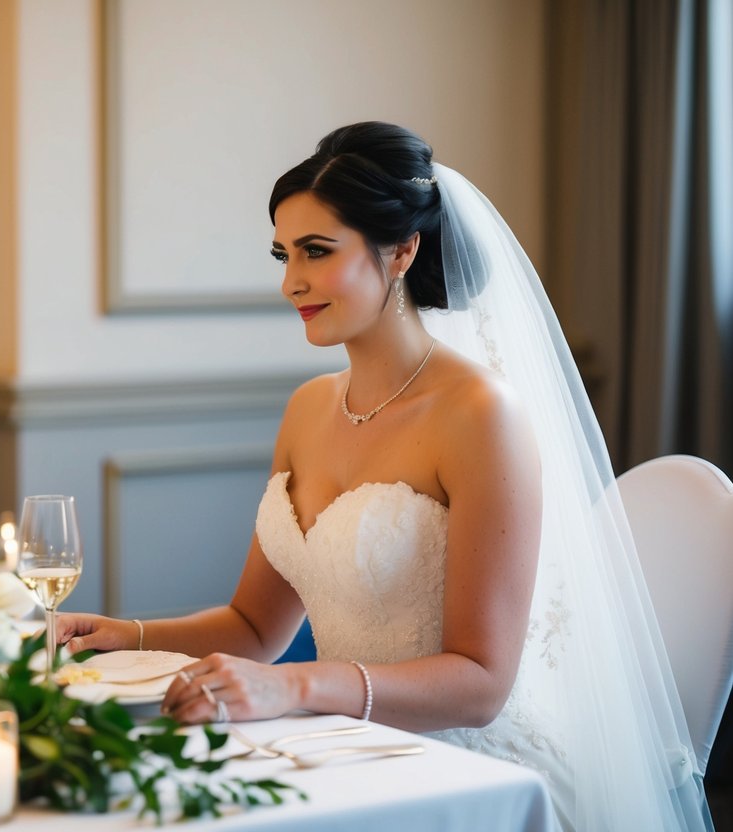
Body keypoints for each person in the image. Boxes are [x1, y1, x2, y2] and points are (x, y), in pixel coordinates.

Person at [57, 122, 712, 831]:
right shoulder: (309, 408)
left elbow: (480, 684)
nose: (290, 282)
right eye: (283, 254)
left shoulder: (481, 414)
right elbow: (252, 625)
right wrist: (125, 633)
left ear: (401, 251)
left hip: (474, 772)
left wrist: (292, 687)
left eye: (315, 252)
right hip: (343, 742)